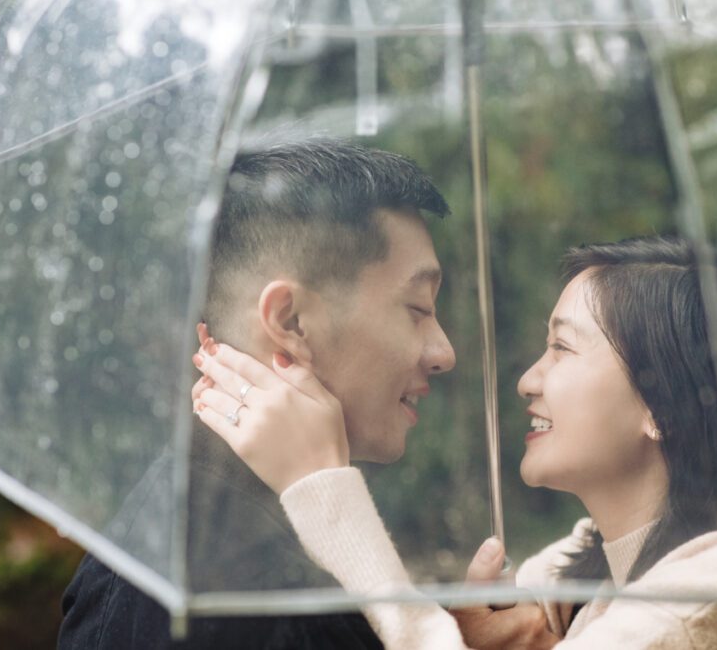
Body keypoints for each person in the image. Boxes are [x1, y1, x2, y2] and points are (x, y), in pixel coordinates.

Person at [193, 236, 717, 649]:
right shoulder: (598, 568)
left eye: (561, 348)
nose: (527, 381)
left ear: (664, 403)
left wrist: (321, 485)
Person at [58, 139, 460, 649]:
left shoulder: (188, 541)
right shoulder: (251, 596)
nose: (443, 352)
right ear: (291, 322)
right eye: (419, 308)